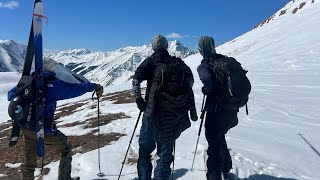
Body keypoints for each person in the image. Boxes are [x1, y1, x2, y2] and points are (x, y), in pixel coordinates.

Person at [7, 58, 104, 180]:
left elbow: (10, 95)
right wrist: (94, 86)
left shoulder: (28, 82)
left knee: (29, 161)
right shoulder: (52, 84)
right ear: (51, 69)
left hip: (26, 127)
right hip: (44, 129)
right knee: (66, 149)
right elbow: (74, 89)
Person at [132, 35, 197, 180]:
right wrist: (174, 97)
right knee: (165, 155)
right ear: (167, 46)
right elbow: (190, 81)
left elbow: (136, 80)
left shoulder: (150, 61)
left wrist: (139, 100)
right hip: (172, 115)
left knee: (145, 151)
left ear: (153, 47)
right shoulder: (178, 62)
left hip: (151, 112)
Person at [197, 36, 239, 180]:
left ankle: (214, 176)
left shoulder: (204, 66)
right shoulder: (225, 60)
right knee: (220, 137)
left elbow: (209, 88)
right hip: (232, 109)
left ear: (201, 49)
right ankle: (226, 168)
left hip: (216, 111)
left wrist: (204, 90)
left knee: (213, 145)